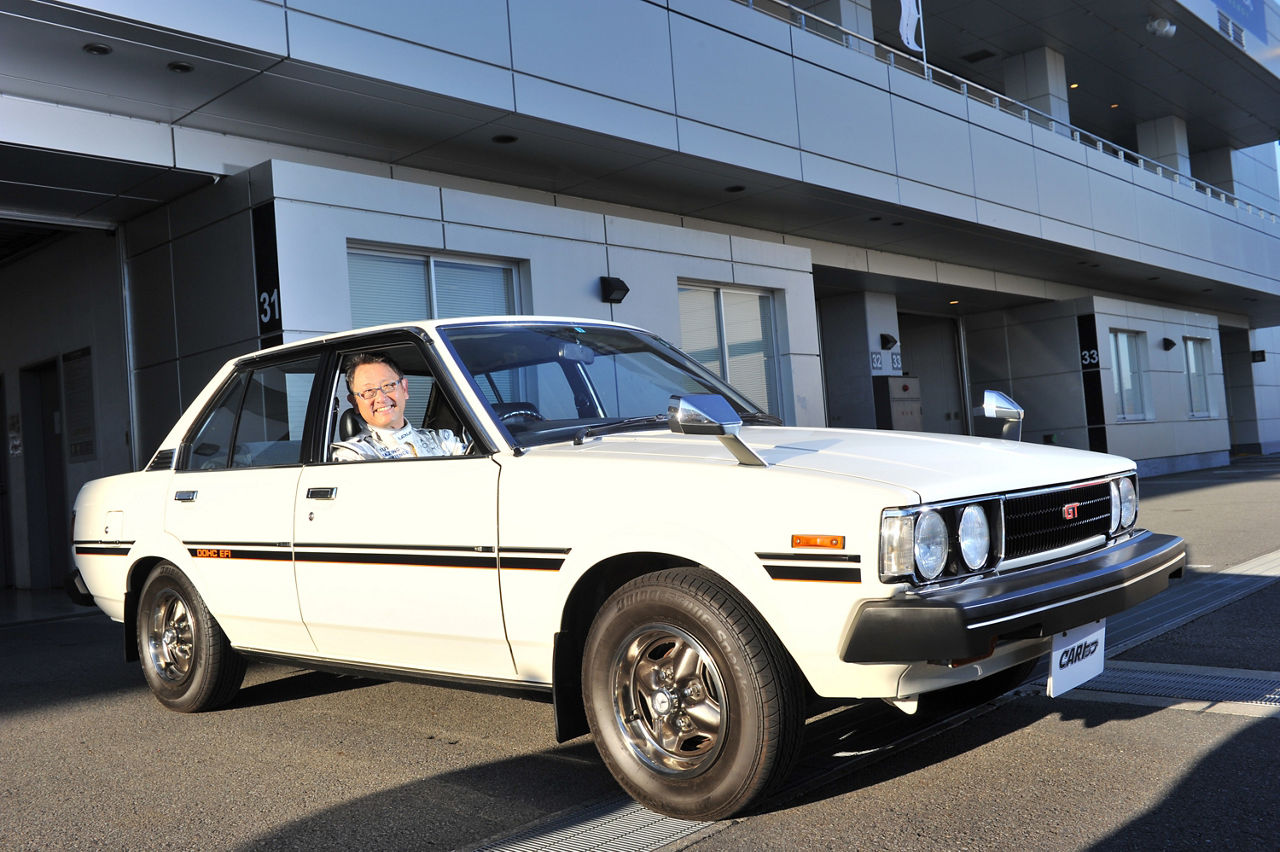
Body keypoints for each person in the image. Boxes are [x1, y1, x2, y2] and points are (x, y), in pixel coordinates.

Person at [331, 352, 466, 461]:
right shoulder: (354, 455)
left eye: (388, 386)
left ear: (404, 388)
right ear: (354, 402)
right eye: (368, 391)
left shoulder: (442, 440)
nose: (381, 398)